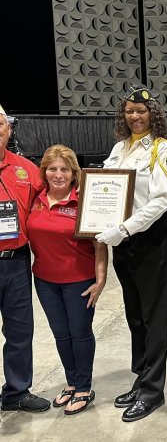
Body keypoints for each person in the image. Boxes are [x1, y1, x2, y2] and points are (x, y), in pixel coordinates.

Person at [96, 84, 167, 422]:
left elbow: (163, 201)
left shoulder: (163, 149)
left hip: (146, 240)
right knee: (134, 314)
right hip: (122, 241)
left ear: (153, 114)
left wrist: (123, 229)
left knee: (153, 316)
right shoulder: (120, 148)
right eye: (129, 111)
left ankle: (153, 391)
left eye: (141, 111)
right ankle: (141, 377)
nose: (135, 116)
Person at [27, 145, 108, 415]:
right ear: (44, 172)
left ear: (74, 174)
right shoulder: (36, 198)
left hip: (79, 282)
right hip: (45, 281)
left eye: (64, 169)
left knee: (80, 334)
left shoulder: (84, 201)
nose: (58, 174)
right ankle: (72, 382)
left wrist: (100, 280)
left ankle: (84, 387)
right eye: (52, 169)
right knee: (61, 334)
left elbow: (100, 245)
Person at [0, 107, 51, 414]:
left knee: (20, 330)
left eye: (0, 123)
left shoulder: (25, 169)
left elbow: (49, 203)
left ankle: (16, 391)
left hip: (16, 261)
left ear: (8, 128)